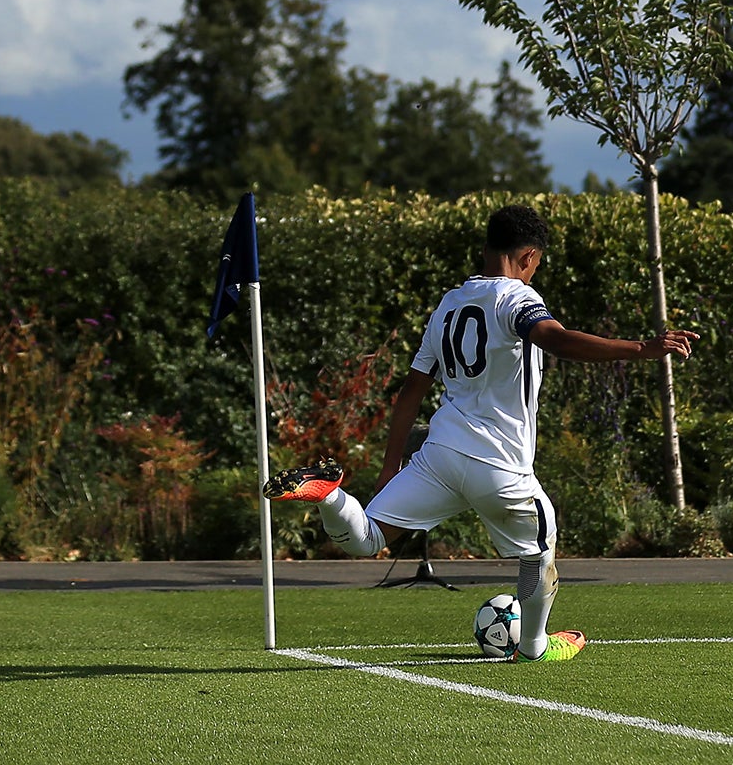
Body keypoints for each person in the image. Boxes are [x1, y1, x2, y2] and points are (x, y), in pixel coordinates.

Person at [263, 203, 695, 662]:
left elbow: (410, 392)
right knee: (540, 552)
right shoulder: (516, 298)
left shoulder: (447, 305)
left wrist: (392, 466)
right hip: (499, 465)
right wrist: (642, 348)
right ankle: (533, 647)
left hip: (440, 455)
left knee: (368, 537)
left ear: (485, 248)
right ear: (529, 257)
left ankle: (329, 496)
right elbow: (555, 337)